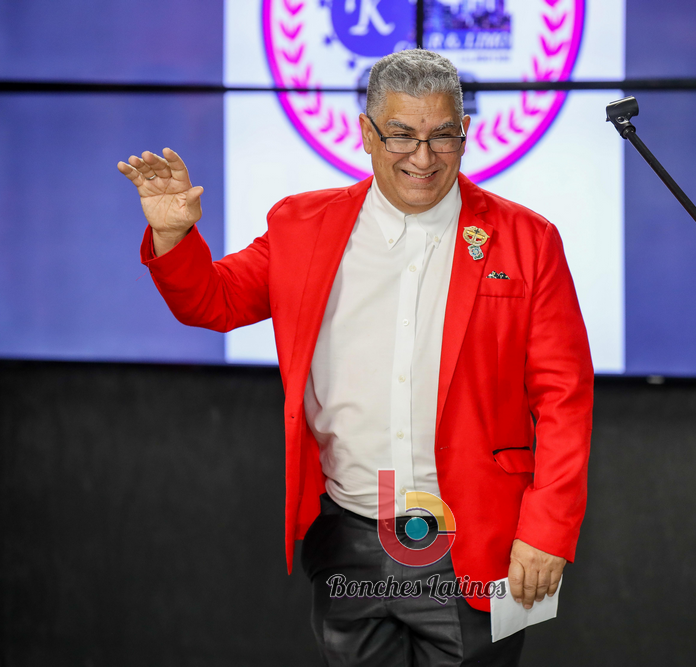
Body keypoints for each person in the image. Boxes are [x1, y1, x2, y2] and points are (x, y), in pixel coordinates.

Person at [118, 49, 593, 666]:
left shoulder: (528, 240)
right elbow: (214, 301)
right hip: (348, 536)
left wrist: (547, 529)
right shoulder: (302, 226)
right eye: (402, 135)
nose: (423, 157)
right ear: (367, 134)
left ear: (465, 133)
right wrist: (173, 234)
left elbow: (564, 397)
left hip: (475, 543)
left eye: (442, 135)